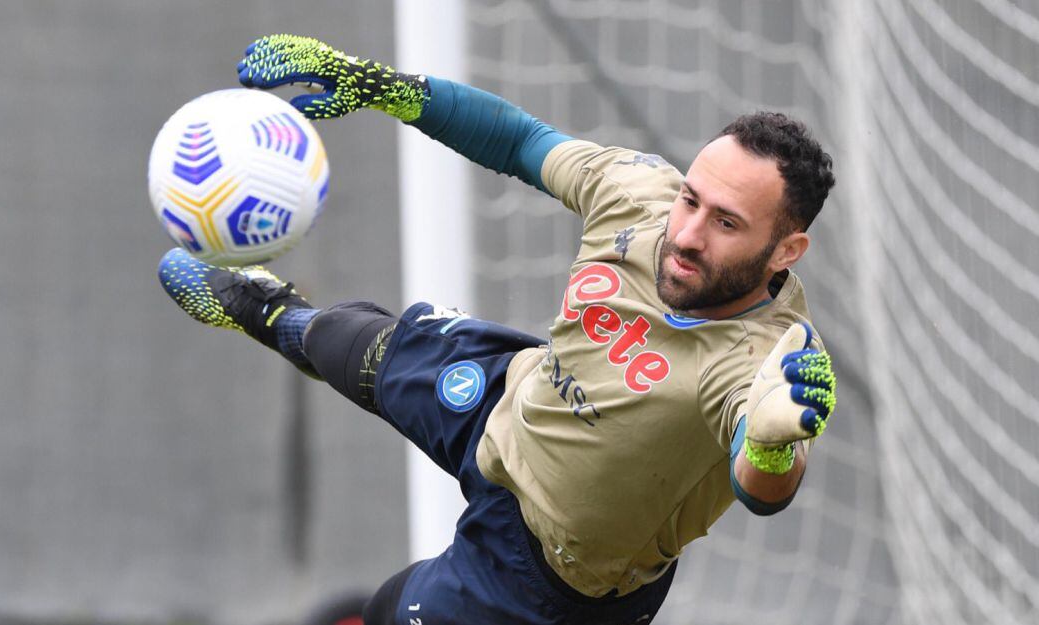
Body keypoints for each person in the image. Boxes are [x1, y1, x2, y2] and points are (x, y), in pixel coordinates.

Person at [158, 35, 838, 625]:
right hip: (510, 402)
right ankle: (266, 308)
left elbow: (761, 485)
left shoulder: (765, 359)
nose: (685, 233)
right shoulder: (638, 193)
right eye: (691, 198)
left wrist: (776, 446)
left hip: (547, 577)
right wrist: (375, 84)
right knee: (343, 336)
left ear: (786, 251)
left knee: (389, 605)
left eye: (725, 222)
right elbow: (518, 140)